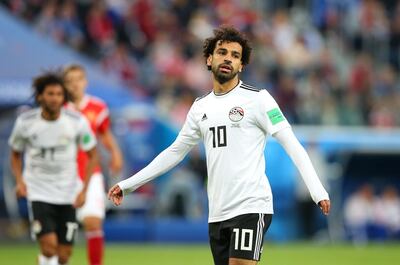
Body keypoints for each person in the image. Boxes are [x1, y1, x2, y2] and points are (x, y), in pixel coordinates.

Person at [108, 26, 330, 265]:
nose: (228, 59)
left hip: (251, 204)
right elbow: (174, 153)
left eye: (235, 56)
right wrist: (128, 185)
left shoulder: (259, 99)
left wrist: (317, 191)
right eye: (223, 52)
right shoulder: (200, 107)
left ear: (241, 66)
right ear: (209, 59)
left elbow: (293, 145)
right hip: (218, 211)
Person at [8, 71, 98, 265]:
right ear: (40, 96)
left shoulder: (76, 122)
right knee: (49, 248)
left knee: (64, 255)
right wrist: (20, 181)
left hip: (68, 193)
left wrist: (84, 189)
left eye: (59, 94)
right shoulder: (26, 122)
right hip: (39, 192)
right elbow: (15, 153)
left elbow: (92, 154)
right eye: (50, 93)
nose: (55, 98)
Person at [63, 64, 123, 265]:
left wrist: (115, 153)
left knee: (93, 221)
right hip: (63, 175)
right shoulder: (58, 108)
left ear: (85, 82)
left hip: (91, 172)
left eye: (78, 79)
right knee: (61, 228)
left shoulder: (97, 107)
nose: (74, 85)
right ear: (65, 84)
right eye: (70, 81)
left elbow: (104, 133)